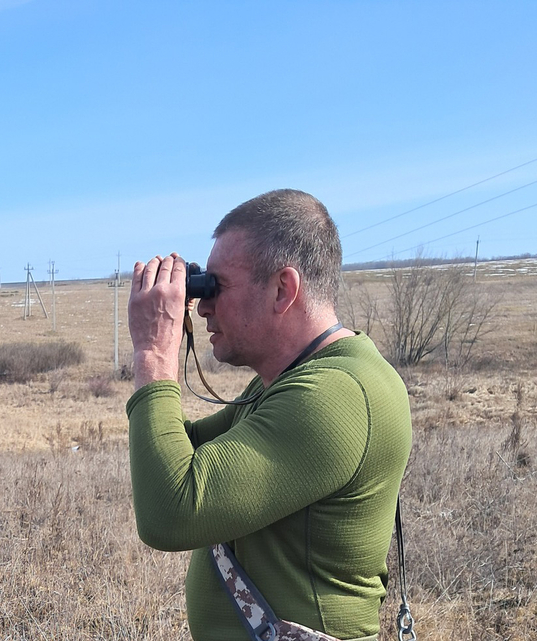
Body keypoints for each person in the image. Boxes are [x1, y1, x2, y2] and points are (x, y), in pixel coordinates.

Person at [126, 189, 412, 641]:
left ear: (283, 289)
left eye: (216, 287)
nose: (202, 306)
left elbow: (169, 510)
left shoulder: (336, 395)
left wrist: (154, 354)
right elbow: (179, 453)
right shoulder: (295, 381)